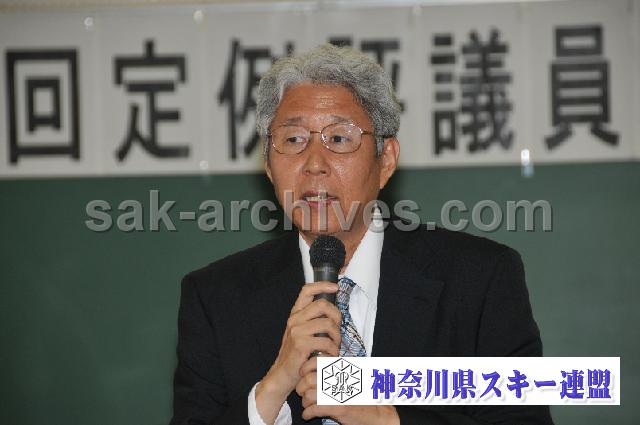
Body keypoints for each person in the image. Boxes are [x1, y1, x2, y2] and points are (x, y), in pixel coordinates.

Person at [170, 44, 553, 425]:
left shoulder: (478, 280)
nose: (314, 164)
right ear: (268, 166)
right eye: (293, 140)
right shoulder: (216, 298)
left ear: (386, 161)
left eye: (339, 139)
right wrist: (274, 387)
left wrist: (385, 419)